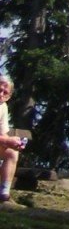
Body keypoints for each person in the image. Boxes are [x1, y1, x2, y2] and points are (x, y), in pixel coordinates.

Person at [0, 74, 30, 205]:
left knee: (12, 152)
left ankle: (3, 193)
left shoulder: (3, 107)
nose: (1, 94)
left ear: (9, 96)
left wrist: (14, 142)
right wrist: (6, 141)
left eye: (4, 92)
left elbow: (3, 133)